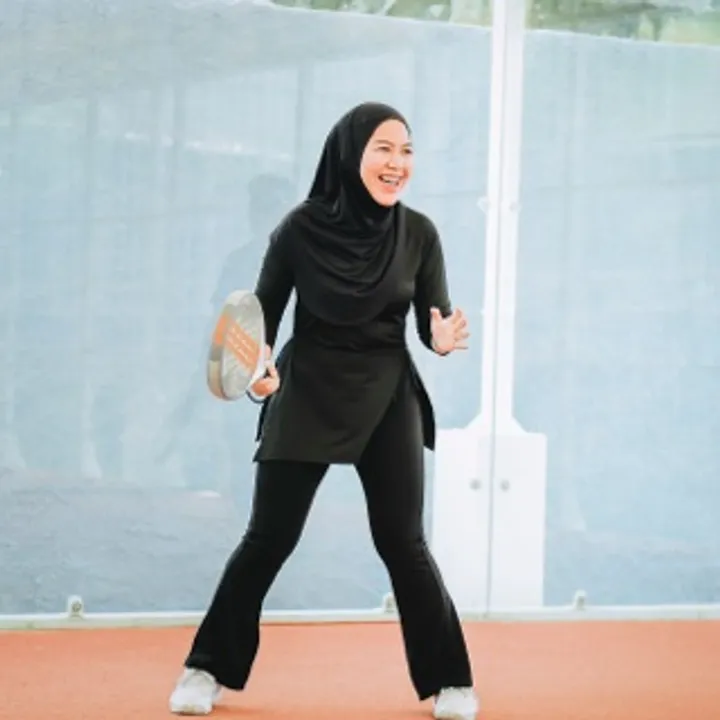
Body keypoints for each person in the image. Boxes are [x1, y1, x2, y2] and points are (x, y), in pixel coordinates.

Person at [168, 102, 479, 720]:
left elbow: (432, 322)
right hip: (307, 385)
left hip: (387, 392)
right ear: (349, 154)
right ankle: (205, 670)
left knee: (403, 542)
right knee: (268, 538)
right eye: (383, 149)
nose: (397, 163)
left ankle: (452, 681)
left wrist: (441, 339)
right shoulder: (297, 230)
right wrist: (258, 376)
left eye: (406, 151)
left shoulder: (420, 234)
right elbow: (259, 320)